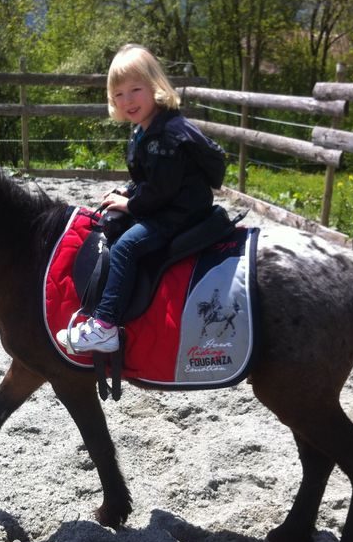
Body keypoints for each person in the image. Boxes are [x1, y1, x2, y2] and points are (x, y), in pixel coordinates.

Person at [57, 43, 226, 354]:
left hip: (180, 212)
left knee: (125, 248)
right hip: (170, 202)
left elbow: (162, 189)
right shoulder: (145, 129)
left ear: (155, 87)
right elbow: (150, 179)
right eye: (119, 94)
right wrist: (128, 192)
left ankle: (105, 326)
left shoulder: (166, 136)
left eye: (135, 89)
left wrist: (130, 204)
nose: (127, 100)